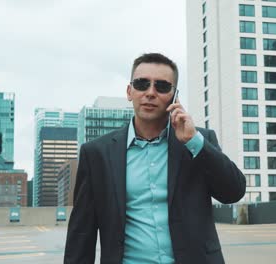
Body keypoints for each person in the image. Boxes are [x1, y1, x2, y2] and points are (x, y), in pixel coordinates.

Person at [64, 53, 246, 264]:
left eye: (161, 86)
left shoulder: (198, 141)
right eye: (142, 84)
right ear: (129, 91)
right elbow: (81, 234)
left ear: (174, 96)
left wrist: (193, 141)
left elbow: (233, 192)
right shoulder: (97, 153)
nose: (150, 93)